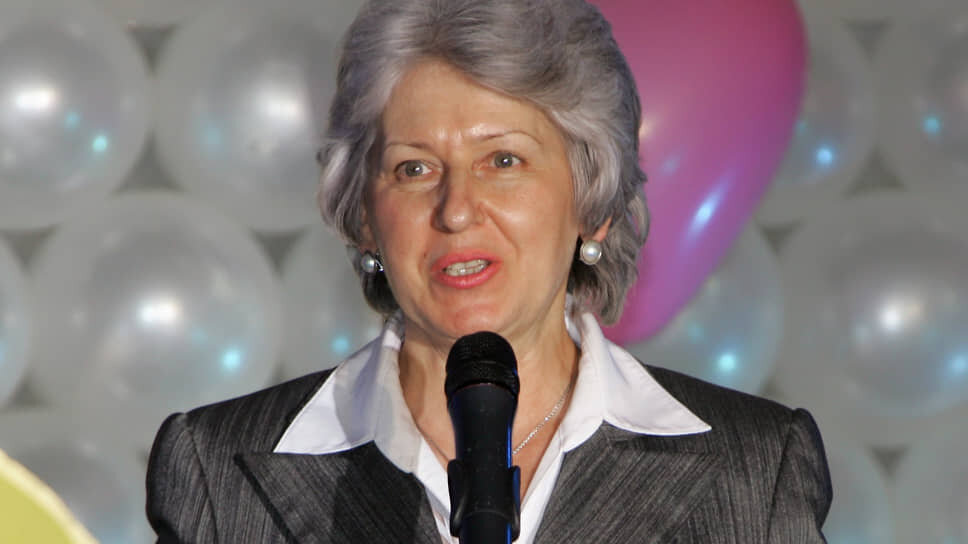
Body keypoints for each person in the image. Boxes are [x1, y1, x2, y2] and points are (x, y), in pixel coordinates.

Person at [146, 0, 832, 542]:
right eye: (414, 168)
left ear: (593, 203)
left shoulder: (756, 471)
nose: (456, 210)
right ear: (365, 217)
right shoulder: (217, 471)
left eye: (503, 161)